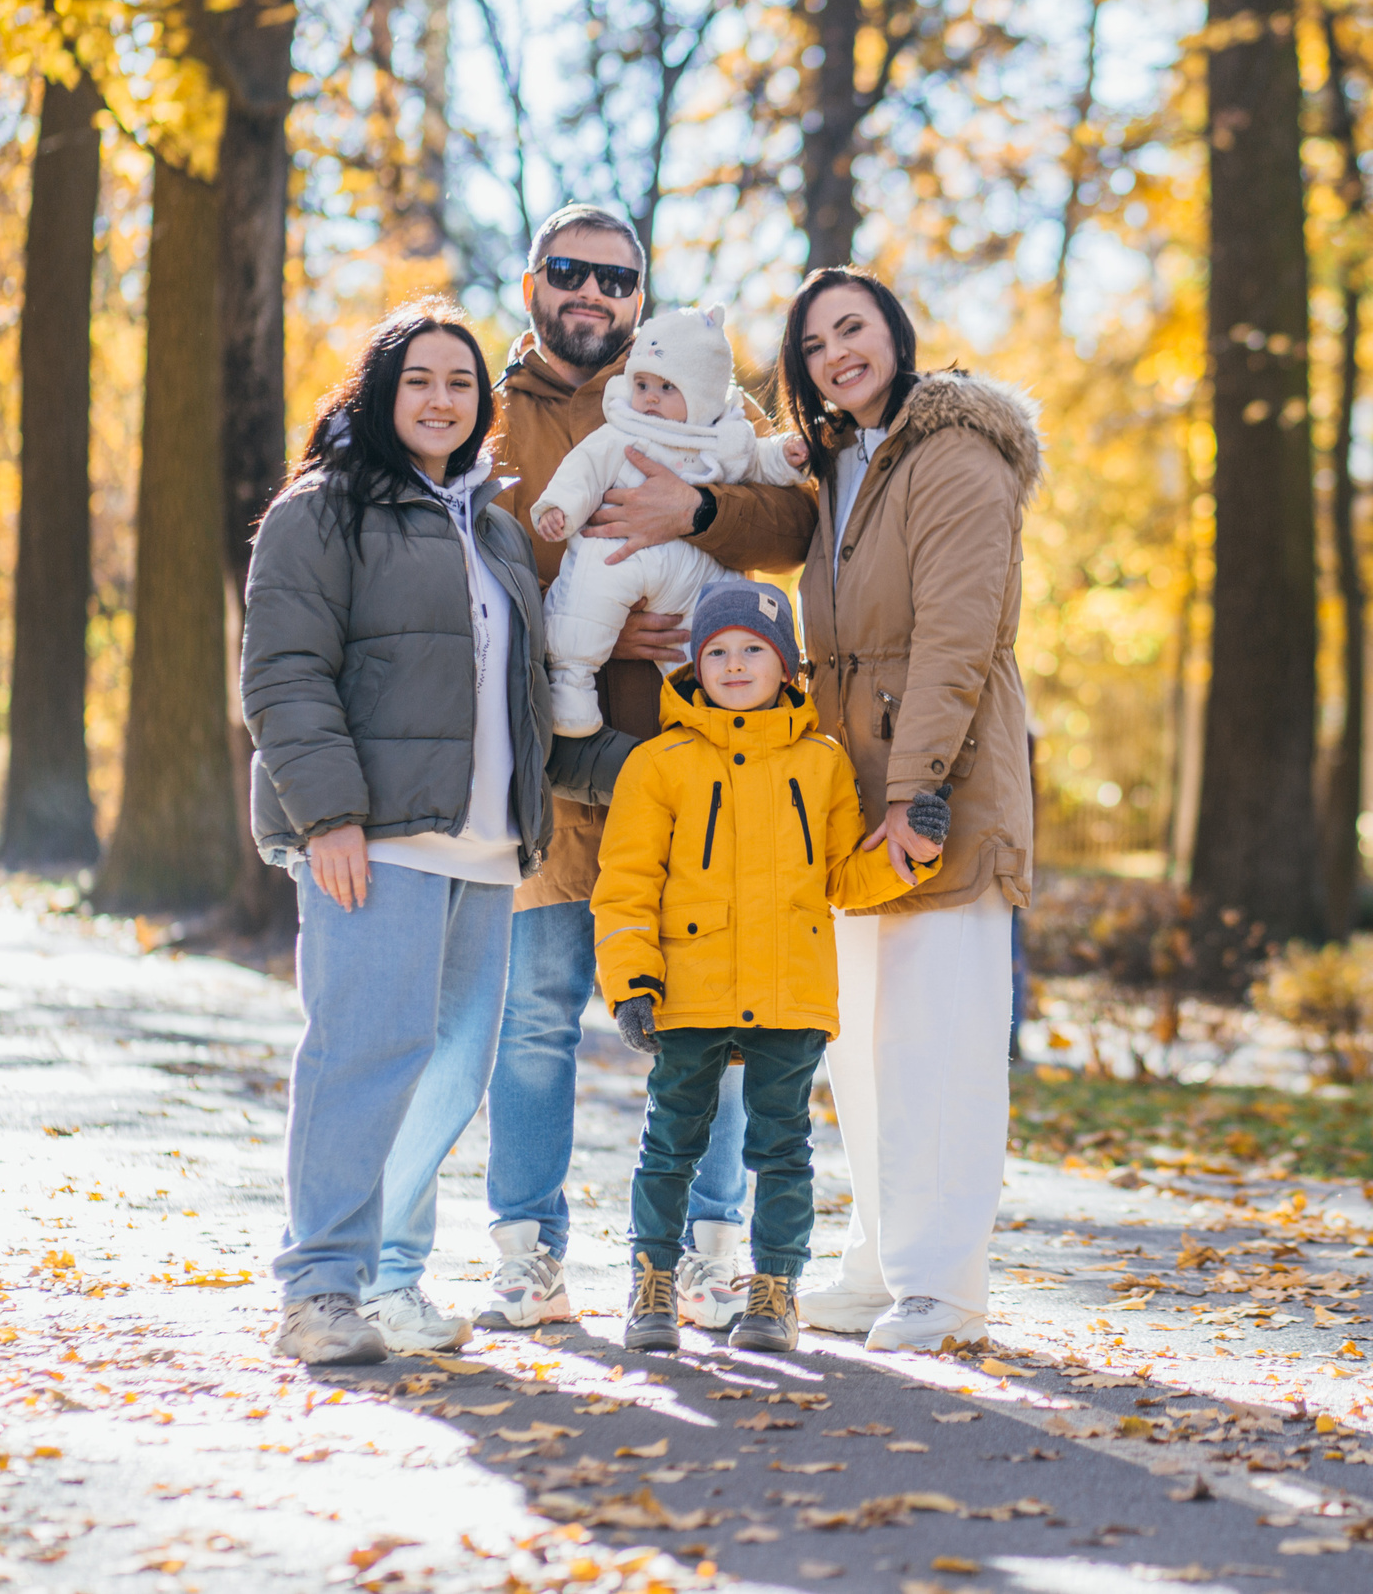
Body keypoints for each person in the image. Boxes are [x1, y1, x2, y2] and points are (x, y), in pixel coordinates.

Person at [368, 206, 817, 1338]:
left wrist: (694, 510)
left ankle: (708, 1255)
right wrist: (593, 620)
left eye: (617, 279)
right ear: (533, 283)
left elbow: (790, 522)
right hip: (548, 771)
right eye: (570, 271)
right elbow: (457, 560)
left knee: (718, 1023)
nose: (594, 294)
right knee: (534, 1020)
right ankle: (529, 1255)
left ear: (639, 297)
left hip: (698, 771)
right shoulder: (485, 409)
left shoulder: (694, 386)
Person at [242, 300, 558, 1364]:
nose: (441, 398)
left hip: (486, 848)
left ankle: (388, 1281)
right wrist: (328, 815)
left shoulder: (493, 526)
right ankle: (319, 1291)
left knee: (450, 1077)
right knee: (364, 1056)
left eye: (461, 383)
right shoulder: (322, 509)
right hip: (375, 839)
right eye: (419, 378)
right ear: (380, 393)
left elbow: (524, 692)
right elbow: (283, 673)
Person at [780, 266, 1042, 1353]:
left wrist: (913, 793)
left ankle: (943, 1286)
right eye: (813, 344)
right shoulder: (843, 462)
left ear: (895, 332)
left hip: (940, 790)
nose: (835, 353)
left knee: (940, 1043)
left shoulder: (956, 452)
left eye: (853, 328)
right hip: (849, 795)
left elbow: (955, 637)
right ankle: (881, 1266)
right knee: (864, 1048)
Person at [592, 581, 948, 1353]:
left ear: (787, 665)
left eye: (753, 648)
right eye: (717, 650)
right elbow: (625, 886)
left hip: (791, 991)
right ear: (695, 665)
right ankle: (652, 1281)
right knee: (671, 1141)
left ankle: (775, 1289)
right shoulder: (659, 764)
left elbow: (844, 878)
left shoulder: (822, 764)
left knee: (782, 1146)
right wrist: (631, 982)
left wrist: (911, 854)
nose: (734, 663)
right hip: (689, 988)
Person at [533, 305, 811, 736]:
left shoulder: (722, 435)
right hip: (622, 554)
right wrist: (561, 508)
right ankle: (571, 684)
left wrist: (785, 458)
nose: (649, 398)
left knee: (719, 627)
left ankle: (718, 716)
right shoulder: (622, 430)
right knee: (586, 592)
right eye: (641, 384)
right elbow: (583, 470)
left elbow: (758, 462)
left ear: (701, 395)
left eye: (666, 387)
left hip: (696, 569)